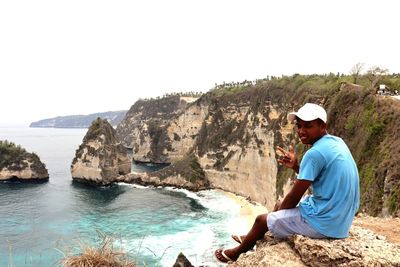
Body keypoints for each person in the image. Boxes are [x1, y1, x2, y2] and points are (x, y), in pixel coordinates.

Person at [215, 103, 360, 263]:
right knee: (279, 203)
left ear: (322, 125)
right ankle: (253, 236)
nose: (301, 131)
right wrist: (296, 166)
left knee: (261, 220)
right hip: (341, 218)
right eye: (299, 126)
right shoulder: (336, 142)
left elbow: (294, 197)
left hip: (326, 223)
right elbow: (320, 177)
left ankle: (238, 252)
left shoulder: (314, 154)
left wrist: (273, 218)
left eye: (308, 126)